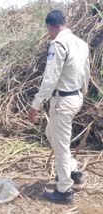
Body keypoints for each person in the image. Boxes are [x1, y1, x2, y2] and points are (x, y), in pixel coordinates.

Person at [28, 10, 90, 203]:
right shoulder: (81, 43)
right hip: (75, 97)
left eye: (48, 30)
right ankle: (72, 170)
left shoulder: (58, 43)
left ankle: (64, 190)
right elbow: (86, 72)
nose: (48, 34)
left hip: (63, 101)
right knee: (51, 134)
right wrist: (82, 94)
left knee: (61, 145)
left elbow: (50, 78)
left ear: (51, 26)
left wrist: (36, 104)